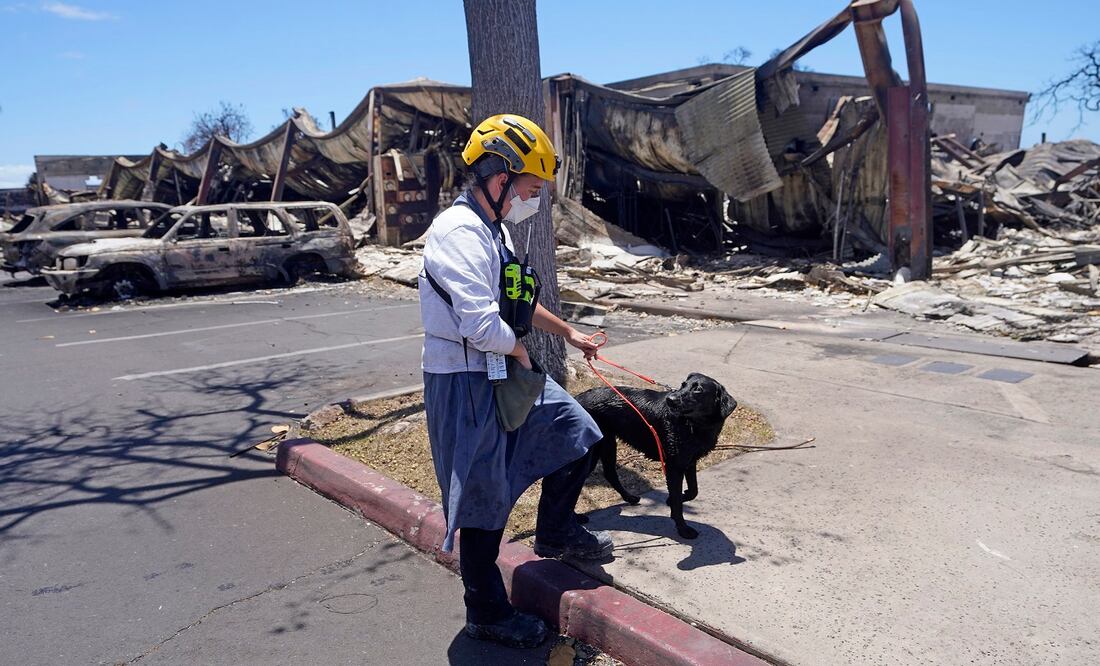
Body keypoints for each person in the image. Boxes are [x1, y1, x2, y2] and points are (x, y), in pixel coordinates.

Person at [418, 114, 610, 649]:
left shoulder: (492, 229)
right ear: (497, 175)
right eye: (528, 189)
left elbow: (513, 302)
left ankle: (554, 531)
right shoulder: (457, 234)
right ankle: (486, 612)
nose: (530, 201)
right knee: (482, 499)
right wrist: (525, 351)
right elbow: (480, 326)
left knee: (576, 433)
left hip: (504, 367)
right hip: (465, 380)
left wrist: (568, 331)